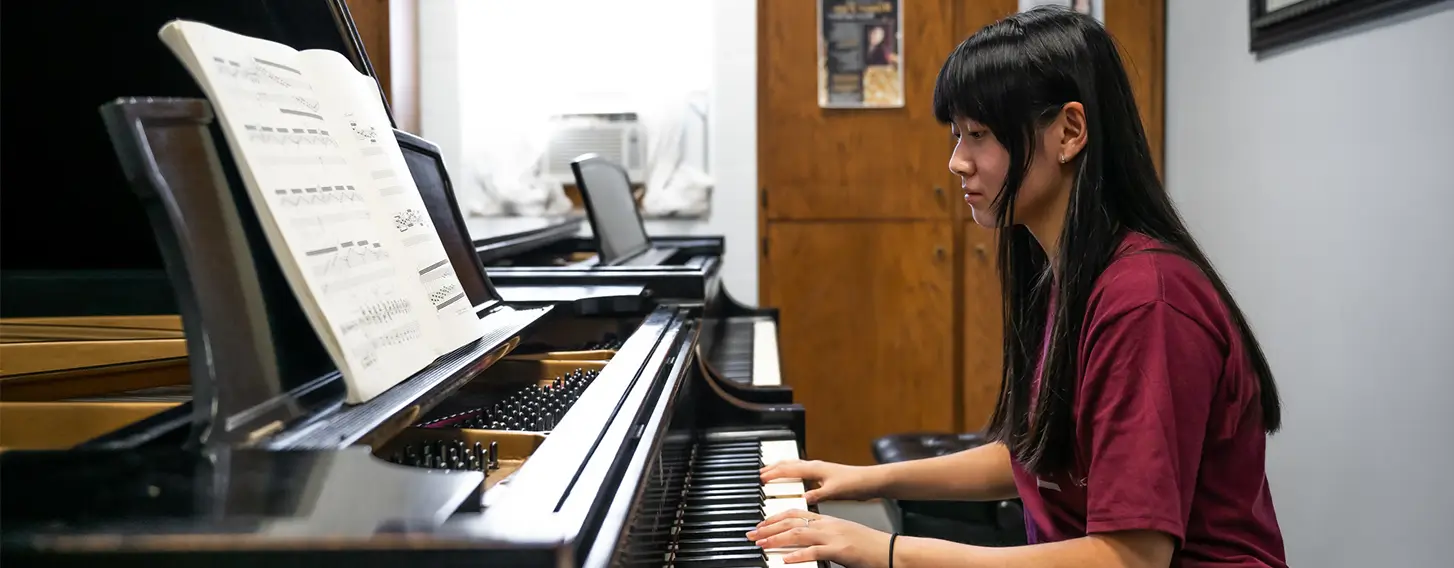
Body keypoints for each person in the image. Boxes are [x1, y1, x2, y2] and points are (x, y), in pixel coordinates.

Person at [746, 7, 1288, 567]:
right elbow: (1038, 461)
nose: (957, 161)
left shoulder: (1145, 301)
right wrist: (866, 480)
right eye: (958, 134)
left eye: (978, 135)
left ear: (1069, 132)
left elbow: (1131, 558)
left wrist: (888, 552)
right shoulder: (1072, 272)